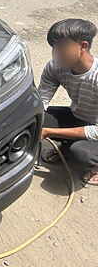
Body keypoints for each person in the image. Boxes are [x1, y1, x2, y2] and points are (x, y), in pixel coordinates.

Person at [39, 19, 98, 186]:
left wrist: (48, 132)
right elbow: (44, 92)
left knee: (81, 153)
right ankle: (66, 149)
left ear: (83, 46)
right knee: (36, 117)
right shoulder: (56, 66)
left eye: (62, 48)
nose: (56, 54)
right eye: (54, 48)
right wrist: (38, 113)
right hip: (79, 116)